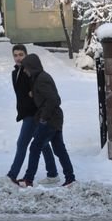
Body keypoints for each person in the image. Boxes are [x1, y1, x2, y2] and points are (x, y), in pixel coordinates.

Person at [0, 44, 59, 186]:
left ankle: (12, 176)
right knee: (42, 144)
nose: (18, 58)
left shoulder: (30, 72)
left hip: (34, 114)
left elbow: (39, 90)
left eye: (21, 55)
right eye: (15, 55)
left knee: (22, 144)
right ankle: (53, 174)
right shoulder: (15, 73)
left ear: (26, 55)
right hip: (26, 113)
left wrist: (34, 96)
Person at [17, 53, 75, 187]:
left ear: (31, 67)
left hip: (49, 119)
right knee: (59, 149)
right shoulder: (40, 78)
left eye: (26, 68)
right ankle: (70, 178)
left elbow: (53, 99)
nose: (25, 71)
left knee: (35, 146)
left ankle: (28, 179)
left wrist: (43, 118)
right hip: (54, 118)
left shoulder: (42, 79)